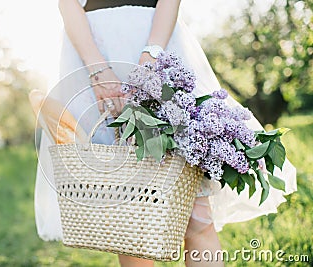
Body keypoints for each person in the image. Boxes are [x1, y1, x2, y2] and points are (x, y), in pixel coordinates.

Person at [33, 1, 297, 266]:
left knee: (197, 212)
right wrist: (98, 67)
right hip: (96, 46)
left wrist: (152, 53)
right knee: (131, 219)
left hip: (159, 40)